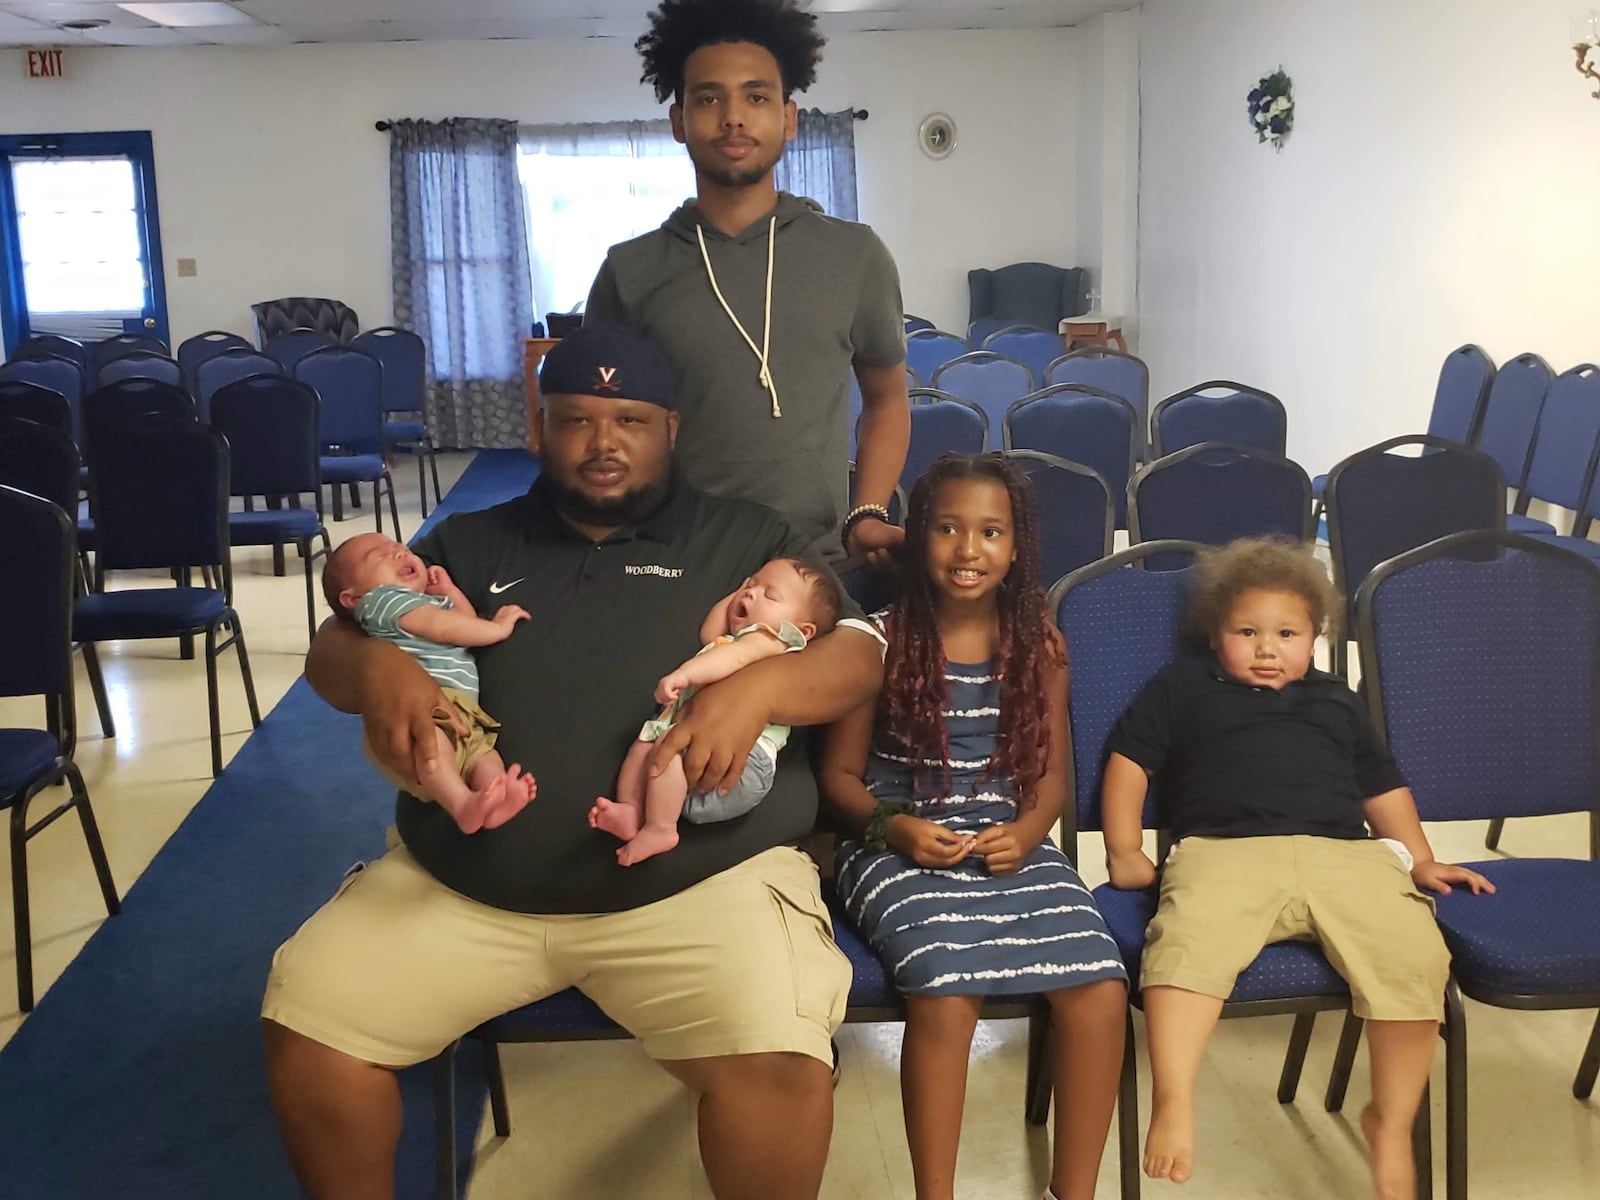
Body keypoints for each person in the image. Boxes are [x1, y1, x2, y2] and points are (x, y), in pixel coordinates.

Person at [262, 323, 886, 1200]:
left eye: (630, 420)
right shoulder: (473, 544)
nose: (603, 444)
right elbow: (336, 646)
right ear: (539, 426)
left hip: (698, 890)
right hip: (467, 885)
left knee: (777, 1058)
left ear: (671, 428)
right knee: (312, 1020)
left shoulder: (745, 538)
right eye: (576, 419)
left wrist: (759, 692)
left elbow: (859, 649)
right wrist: (372, 666)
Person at [1100, 537, 1495, 1200]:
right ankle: (1175, 1099)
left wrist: (1420, 859)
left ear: (1315, 636)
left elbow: (1382, 785)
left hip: (1344, 855)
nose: (1265, 648)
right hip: (1222, 853)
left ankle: (1390, 1122)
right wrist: (1124, 850)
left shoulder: (1336, 700)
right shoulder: (1184, 685)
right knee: (1185, 948)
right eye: (1246, 631)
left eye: (1287, 633)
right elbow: (1128, 762)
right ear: (1214, 632)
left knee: (1413, 956)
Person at [819, 453, 1129, 1200]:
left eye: (990, 532)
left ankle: (1075, 1190)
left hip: (1006, 839)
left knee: (1100, 989)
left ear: (1016, 546)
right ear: (917, 535)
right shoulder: (878, 641)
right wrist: (896, 830)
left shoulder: (1040, 645)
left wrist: (1029, 833)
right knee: (946, 987)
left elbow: (1052, 777)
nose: (968, 550)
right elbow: (838, 781)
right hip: (892, 843)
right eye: (948, 529)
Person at [585, 0, 910, 566]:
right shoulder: (630, 271)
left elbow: (886, 399)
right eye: (709, 98)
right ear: (678, 120)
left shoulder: (855, 255)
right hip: (668, 562)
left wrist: (867, 512)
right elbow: (599, 423)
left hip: (815, 566)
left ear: (788, 118)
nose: (733, 116)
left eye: (756, 97)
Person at [590, 555, 842, 865]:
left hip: (744, 761)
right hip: (695, 738)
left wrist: (684, 675)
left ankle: (661, 828)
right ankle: (632, 809)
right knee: (641, 749)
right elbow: (710, 633)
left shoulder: (772, 641)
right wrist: (744, 592)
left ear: (802, 631)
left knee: (664, 755)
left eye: (770, 594)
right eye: (751, 584)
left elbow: (730, 660)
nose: (751, 592)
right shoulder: (731, 639)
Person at [321, 532, 537, 835]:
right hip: (425, 706)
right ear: (353, 598)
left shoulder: (424, 602)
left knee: (484, 757)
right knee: (433, 750)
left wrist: (447, 590)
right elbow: (443, 628)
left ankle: (493, 799)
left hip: (462, 710)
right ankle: (461, 803)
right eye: (379, 555)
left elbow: (464, 622)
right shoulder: (380, 602)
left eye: (399, 547)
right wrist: (497, 629)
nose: (398, 552)